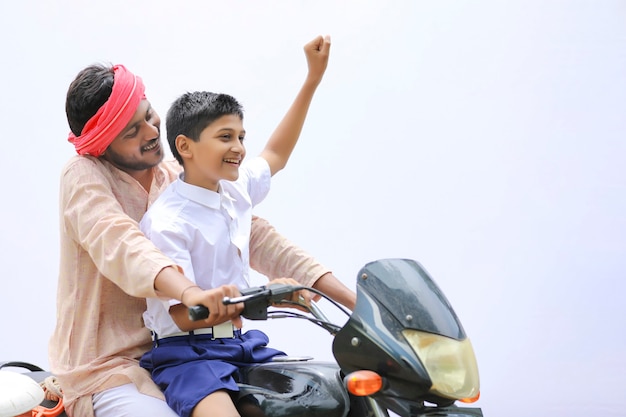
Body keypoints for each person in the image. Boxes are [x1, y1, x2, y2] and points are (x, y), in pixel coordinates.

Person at [49, 34, 355, 417]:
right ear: (102, 146)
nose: (149, 131)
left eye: (148, 115)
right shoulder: (84, 175)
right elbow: (122, 244)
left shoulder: (175, 176)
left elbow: (257, 236)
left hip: (216, 348)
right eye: (131, 131)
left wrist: (358, 304)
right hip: (112, 368)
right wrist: (191, 293)